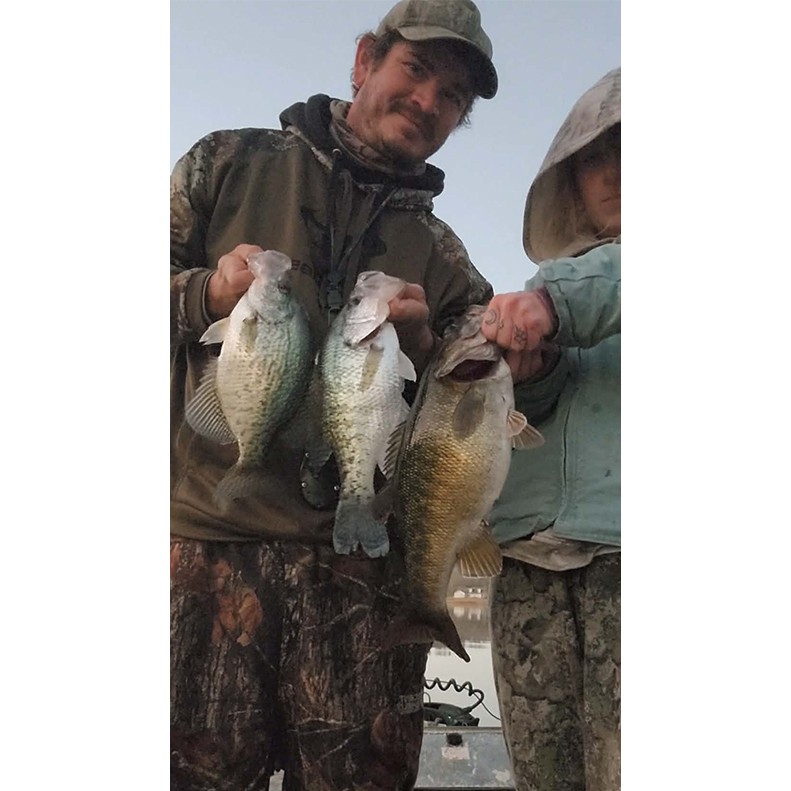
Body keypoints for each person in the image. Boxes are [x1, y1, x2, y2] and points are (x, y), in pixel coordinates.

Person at [170, 1, 497, 789]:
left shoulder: (447, 254)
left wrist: (428, 346)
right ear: (363, 60)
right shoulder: (227, 162)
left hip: (366, 571)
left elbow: (483, 381)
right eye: (415, 70)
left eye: (452, 96)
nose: (427, 102)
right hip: (206, 544)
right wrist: (207, 293)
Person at [481, 67, 621, 791]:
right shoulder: (551, 293)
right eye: (595, 155)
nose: (612, 172)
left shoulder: (560, 292)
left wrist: (551, 305)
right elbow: (531, 418)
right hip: (529, 566)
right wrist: (530, 375)